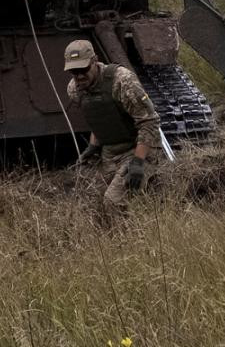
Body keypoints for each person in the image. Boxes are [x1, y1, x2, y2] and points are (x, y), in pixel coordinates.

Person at [64, 39, 161, 217]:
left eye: (83, 70)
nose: (79, 77)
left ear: (95, 61)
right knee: (93, 203)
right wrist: (93, 146)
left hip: (136, 148)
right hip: (109, 153)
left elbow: (149, 122)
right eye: (73, 72)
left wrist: (138, 163)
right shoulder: (75, 89)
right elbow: (100, 117)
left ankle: (131, 242)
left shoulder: (122, 81)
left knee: (113, 201)